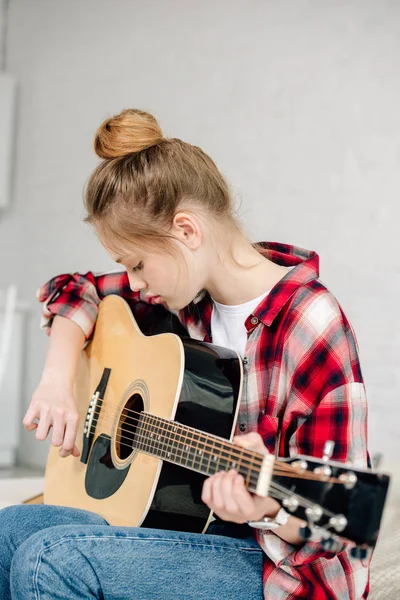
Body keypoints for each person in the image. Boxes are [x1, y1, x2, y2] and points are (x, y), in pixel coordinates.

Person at [0, 109, 370, 600]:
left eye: (136, 263)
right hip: (198, 530)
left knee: (51, 558)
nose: (133, 283)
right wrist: (57, 381)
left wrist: (265, 507)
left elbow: (343, 524)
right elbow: (75, 290)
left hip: (277, 568)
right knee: (8, 532)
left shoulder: (312, 323)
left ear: (186, 231)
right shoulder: (186, 299)